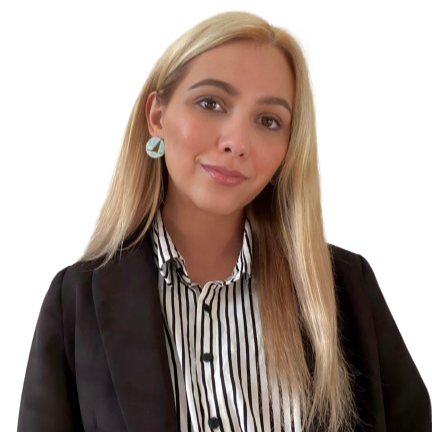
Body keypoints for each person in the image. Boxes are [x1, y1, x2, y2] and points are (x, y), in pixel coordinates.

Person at [17, 10, 430, 432]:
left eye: (268, 121)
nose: (237, 142)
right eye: (210, 103)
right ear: (157, 117)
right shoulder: (77, 302)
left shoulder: (345, 287)